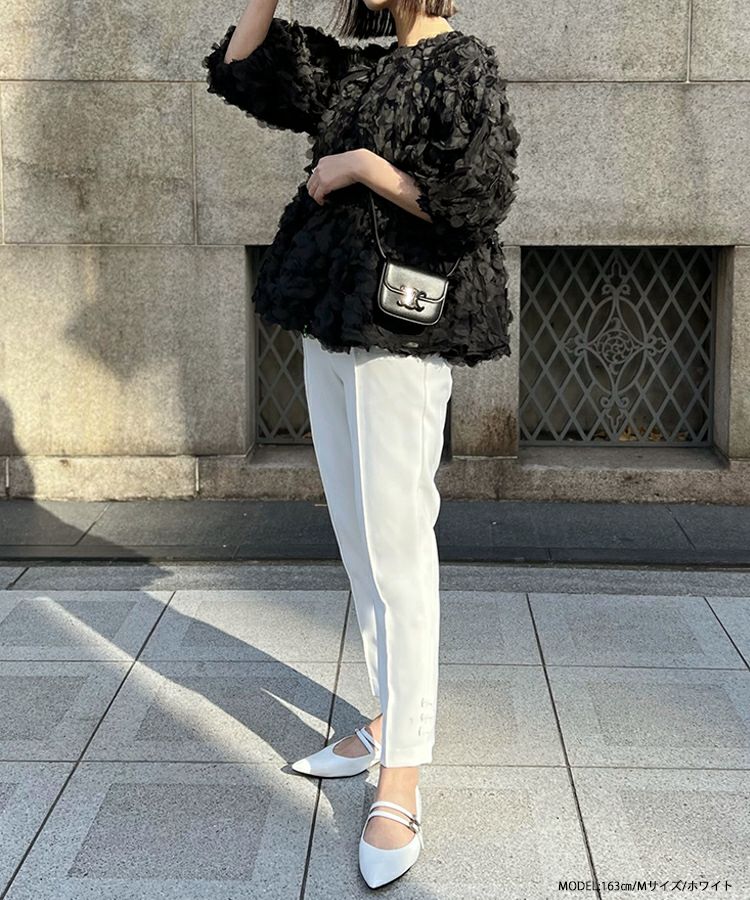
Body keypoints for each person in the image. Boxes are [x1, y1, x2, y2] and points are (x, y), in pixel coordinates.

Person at [203, 0, 520, 888]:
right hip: (333, 321)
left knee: (397, 546)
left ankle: (403, 772)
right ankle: (389, 718)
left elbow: (476, 198)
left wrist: (356, 166)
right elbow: (245, 67)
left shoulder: (464, 64)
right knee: (358, 537)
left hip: (405, 329)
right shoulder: (360, 67)